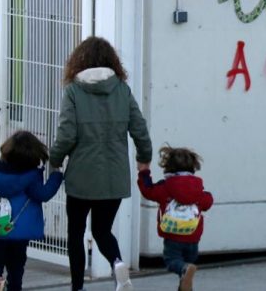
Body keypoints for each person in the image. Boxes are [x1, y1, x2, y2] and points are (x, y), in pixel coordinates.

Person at [49, 36, 153, 291]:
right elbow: (140, 129)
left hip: (81, 178)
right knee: (102, 230)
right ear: (111, 61)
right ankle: (118, 265)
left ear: (79, 61)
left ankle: (77, 287)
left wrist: (54, 160)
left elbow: (66, 135)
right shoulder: (121, 89)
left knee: (75, 234)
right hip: (114, 176)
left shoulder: (73, 91)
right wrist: (144, 159)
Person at [0, 130, 63, 291]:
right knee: (16, 269)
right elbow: (43, 194)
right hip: (19, 232)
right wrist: (56, 176)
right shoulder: (31, 177)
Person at [138, 146, 214, 291]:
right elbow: (208, 202)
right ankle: (185, 280)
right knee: (187, 265)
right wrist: (207, 195)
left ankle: (184, 270)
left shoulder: (165, 186)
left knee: (172, 262)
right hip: (193, 235)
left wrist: (144, 173)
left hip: (173, 235)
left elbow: (148, 191)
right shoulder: (197, 188)